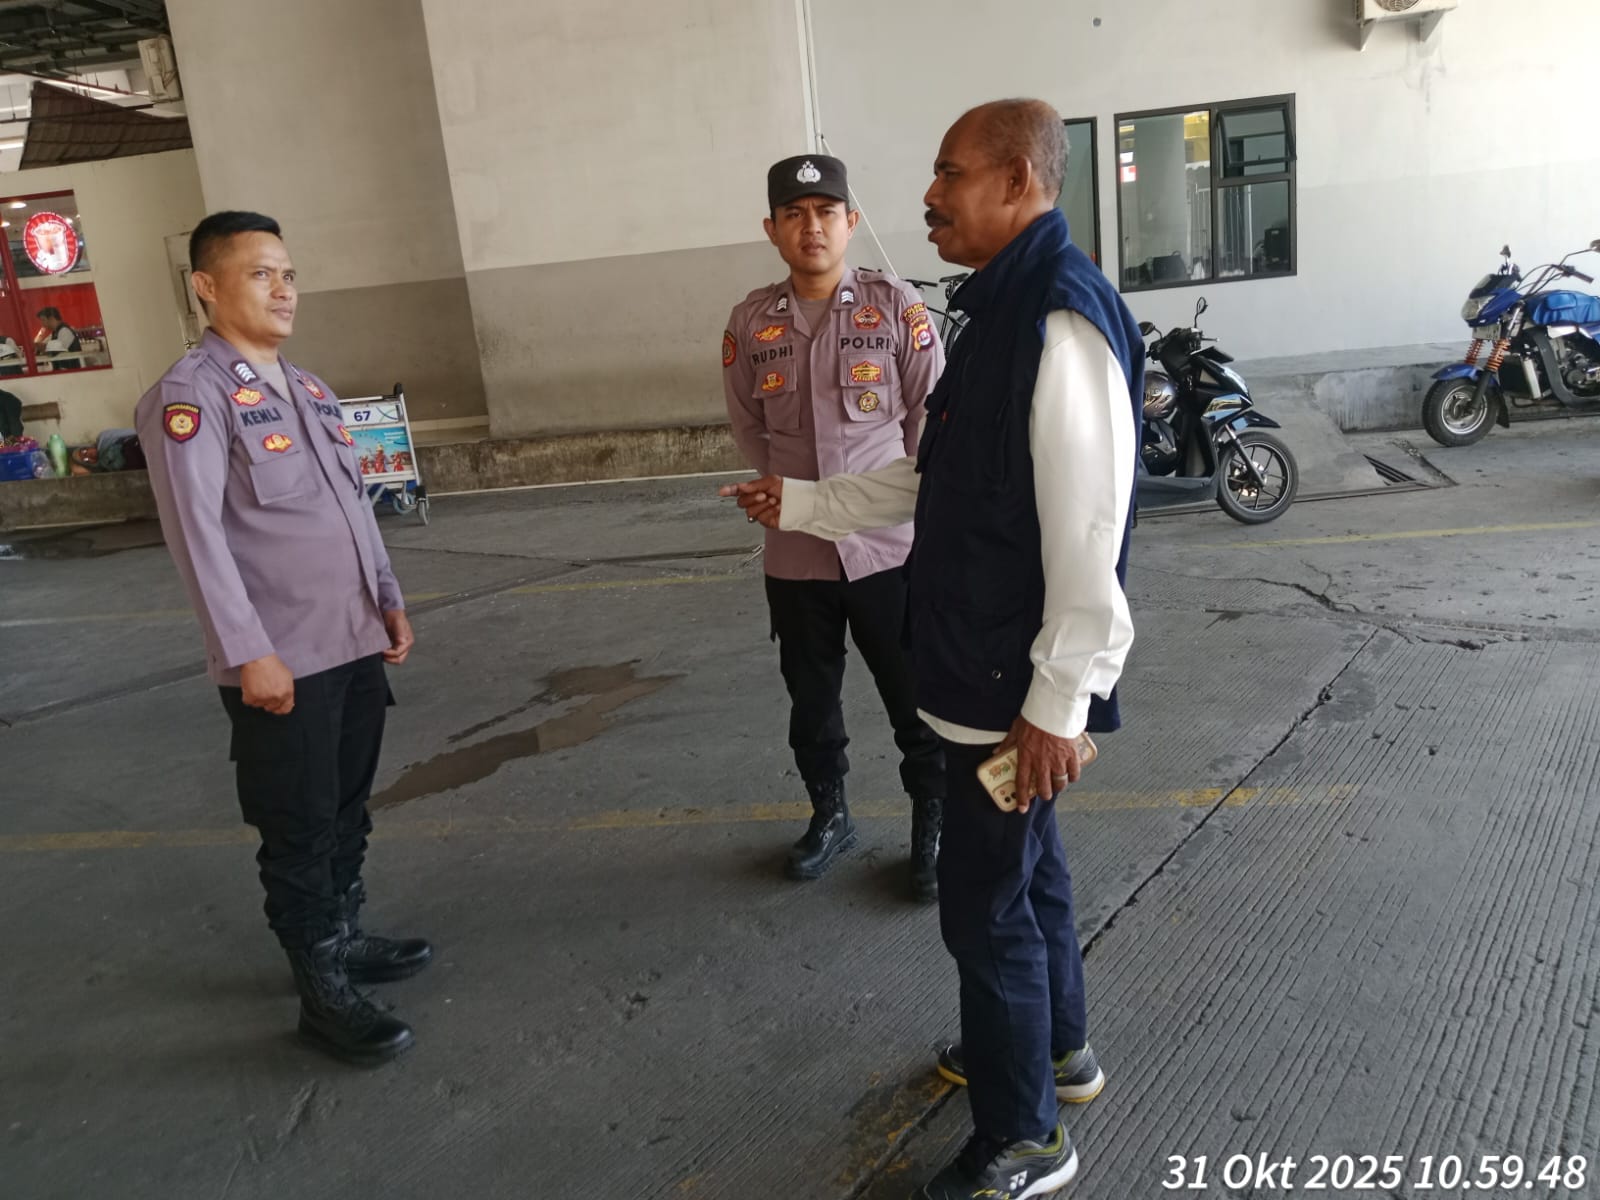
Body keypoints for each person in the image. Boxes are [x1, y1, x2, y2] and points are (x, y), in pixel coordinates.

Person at [722, 100, 1142, 1199]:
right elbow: (936, 477)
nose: (929, 195)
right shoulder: (994, 314)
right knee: (1028, 875)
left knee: (984, 909)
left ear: (1016, 182)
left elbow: (1092, 531)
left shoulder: (1054, 322)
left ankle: (1024, 1138)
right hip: (980, 671)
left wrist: (1056, 707)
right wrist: (806, 504)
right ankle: (1055, 1053)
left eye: (950, 174)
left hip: (1009, 688)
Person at [135, 210, 430, 1066]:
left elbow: (354, 508)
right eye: (261, 273)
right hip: (281, 659)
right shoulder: (190, 396)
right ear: (206, 286)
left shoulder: (309, 390)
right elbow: (196, 537)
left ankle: (344, 934)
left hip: (352, 639)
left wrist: (387, 598)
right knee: (297, 828)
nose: (284, 289)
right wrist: (247, 651)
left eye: (289, 274)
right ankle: (321, 990)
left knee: (344, 811)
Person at [722, 153, 947, 899]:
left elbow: (929, 419)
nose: (811, 227)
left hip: (889, 548)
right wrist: (793, 497)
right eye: (794, 214)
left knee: (914, 694)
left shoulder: (896, 306)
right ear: (773, 229)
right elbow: (748, 426)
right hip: (795, 555)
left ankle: (932, 822)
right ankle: (830, 814)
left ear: (851, 222)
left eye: (825, 212)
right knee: (811, 700)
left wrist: (899, 497)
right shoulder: (751, 322)